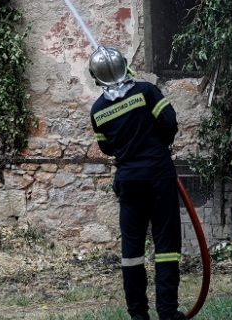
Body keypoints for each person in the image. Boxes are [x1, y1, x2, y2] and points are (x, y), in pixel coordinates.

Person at [88, 46, 184, 320]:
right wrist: (156, 139)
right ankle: (167, 313)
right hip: (158, 175)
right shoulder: (147, 92)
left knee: (131, 252)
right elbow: (170, 122)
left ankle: (138, 316)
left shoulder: (98, 110)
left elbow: (107, 149)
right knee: (166, 247)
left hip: (129, 181)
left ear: (97, 78)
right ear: (125, 66)